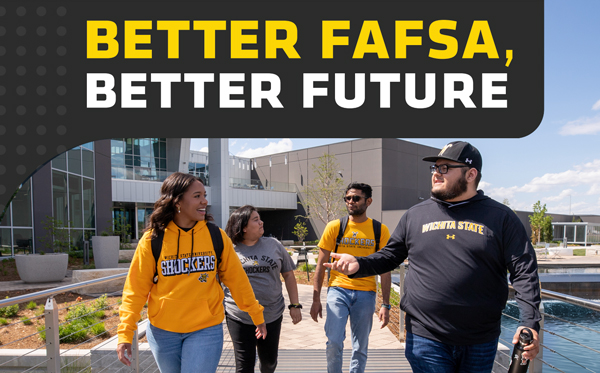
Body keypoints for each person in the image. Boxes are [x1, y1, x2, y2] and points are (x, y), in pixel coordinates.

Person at [326, 141, 542, 373]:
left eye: (445, 168)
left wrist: (529, 322)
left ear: (471, 174)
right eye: (435, 168)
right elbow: (390, 256)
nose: (436, 174)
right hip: (425, 336)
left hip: (480, 338)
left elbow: (524, 271)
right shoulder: (415, 215)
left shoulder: (501, 218)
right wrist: (359, 263)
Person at [116, 172, 267, 373]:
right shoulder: (152, 240)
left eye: (204, 195)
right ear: (177, 201)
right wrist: (125, 332)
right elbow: (135, 290)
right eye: (197, 196)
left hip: (205, 329)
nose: (204, 201)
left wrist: (256, 314)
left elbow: (237, 281)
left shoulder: (216, 236)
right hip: (163, 331)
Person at [310, 182, 392, 373]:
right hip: (338, 289)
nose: (351, 202)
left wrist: (386, 304)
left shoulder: (380, 230)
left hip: (366, 293)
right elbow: (321, 267)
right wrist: (316, 300)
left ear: (368, 201)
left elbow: (386, 269)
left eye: (356, 198)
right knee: (334, 342)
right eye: (347, 198)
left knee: (360, 347)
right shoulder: (335, 227)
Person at [223, 205, 302, 373]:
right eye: (256, 219)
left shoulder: (274, 245)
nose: (261, 222)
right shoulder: (229, 250)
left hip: (271, 314)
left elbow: (288, 275)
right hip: (239, 316)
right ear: (243, 227)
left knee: (269, 363)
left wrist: (295, 305)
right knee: (244, 366)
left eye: (260, 218)